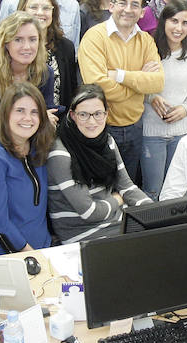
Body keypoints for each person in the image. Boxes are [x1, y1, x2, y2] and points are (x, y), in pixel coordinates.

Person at [77, 0, 164, 182]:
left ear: (142, 12)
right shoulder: (94, 37)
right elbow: (98, 89)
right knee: (100, 188)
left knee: (127, 188)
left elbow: (158, 82)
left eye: (135, 5)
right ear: (111, 6)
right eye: (122, 2)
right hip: (100, 127)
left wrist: (120, 76)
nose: (128, 9)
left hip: (135, 127)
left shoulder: (146, 41)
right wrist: (139, 84)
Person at [48, 84, 150, 243]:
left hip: (116, 222)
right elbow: (90, 212)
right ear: (72, 115)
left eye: (97, 114)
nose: (91, 121)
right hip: (84, 235)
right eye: (83, 114)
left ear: (106, 114)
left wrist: (154, 212)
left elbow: (127, 187)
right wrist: (118, 200)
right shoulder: (60, 152)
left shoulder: (107, 141)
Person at [0, 81, 54, 254]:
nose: (27, 118)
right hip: (2, 255)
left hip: (41, 248)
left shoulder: (38, 147)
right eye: (20, 111)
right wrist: (33, 257)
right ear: (6, 114)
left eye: (34, 112)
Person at [140, 0, 187, 199]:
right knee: (153, 190)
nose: (179, 28)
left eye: (185, 23)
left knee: (179, 190)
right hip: (152, 131)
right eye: (174, 21)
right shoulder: (148, 49)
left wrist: (185, 108)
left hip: (184, 132)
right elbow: (139, 83)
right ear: (164, 21)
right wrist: (152, 97)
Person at [0, 12, 53, 134]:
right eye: (18, 40)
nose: (27, 47)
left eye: (33, 39)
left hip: (34, 138)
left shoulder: (45, 72)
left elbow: (48, 116)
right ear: (6, 43)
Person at [18, 0, 78, 114]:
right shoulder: (13, 46)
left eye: (46, 8)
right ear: (23, 10)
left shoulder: (66, 47)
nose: (40, 12)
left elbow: (71, 92)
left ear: (53, 12)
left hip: (58, 124)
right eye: (33, 7)